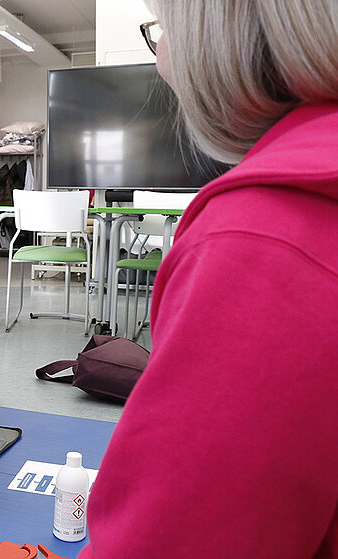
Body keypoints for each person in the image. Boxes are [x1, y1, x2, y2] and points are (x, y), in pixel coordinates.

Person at [79, 1, 338, 557]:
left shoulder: (255, 241)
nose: (162, 61)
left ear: (220, 38)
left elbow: (171, 542)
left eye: (162, 30)